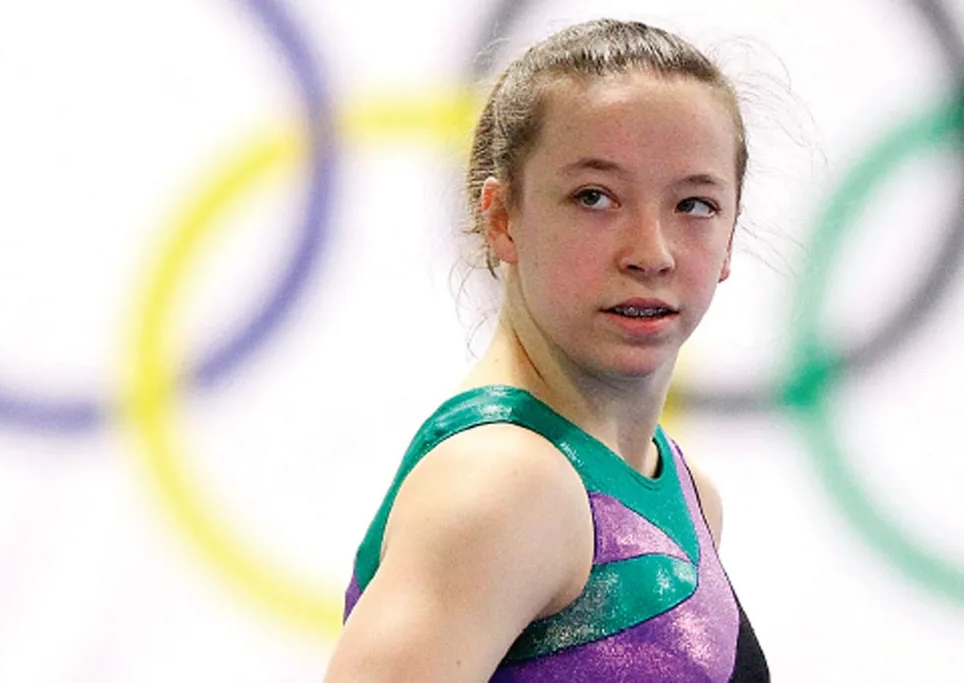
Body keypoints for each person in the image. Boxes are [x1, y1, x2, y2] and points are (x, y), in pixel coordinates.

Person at [324, 18, 770, 682]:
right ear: (503, 217)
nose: (650, 252)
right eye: (595, 197)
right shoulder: (505, 484)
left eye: (695, 204)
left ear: (731, 237)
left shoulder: (685, 489)